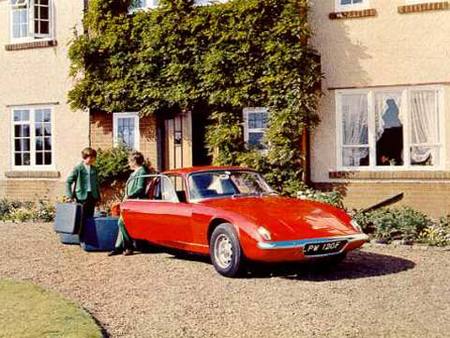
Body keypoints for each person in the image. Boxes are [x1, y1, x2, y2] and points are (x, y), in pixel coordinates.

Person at [109, 151, 149, 256]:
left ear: (134, 161)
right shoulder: (134, 173)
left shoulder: (142, 172)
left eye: (130, 161)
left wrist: (130, 195)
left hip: (135, 201)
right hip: (129, 201)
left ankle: (128, 247)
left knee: (122, 223)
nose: (129, 164)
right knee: (122, 222)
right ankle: (118, 247)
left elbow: (140, 188)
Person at [65, 147, 101, 232]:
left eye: (93, 158)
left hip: (92, 196)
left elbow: (96, 184)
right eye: (90, 157)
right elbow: (68, 182)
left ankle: (88, 237)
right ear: (84, 157)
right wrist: (70, 195)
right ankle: (81, 238)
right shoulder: (78, 168)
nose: (92, 159)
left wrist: (98, 197)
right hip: (81, 196)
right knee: (81, 218)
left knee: (90, 217)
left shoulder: (94, 169)